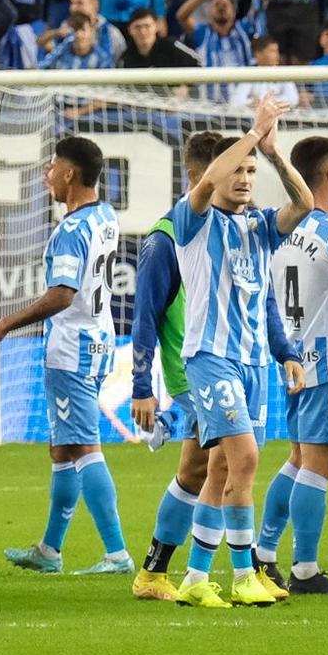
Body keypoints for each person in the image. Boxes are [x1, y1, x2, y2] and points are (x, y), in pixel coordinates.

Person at [165, 98, 312, 609]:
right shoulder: (192, 220)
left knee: (224, 471)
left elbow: (305, 204)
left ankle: (195, 578)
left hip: (252, 364)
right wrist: (251, 133)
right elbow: (208, 184)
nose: (246, 177)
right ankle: (245, 574)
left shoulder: (261, 227)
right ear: (214, 173)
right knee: (245, 459)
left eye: (252, 171)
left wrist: (272, 152)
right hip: (210, 357)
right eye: (239, 169)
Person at [0, 136, 130, 576]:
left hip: (72, 348)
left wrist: (5, 324)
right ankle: (50, 550)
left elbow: (63, 295)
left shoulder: (70, 229)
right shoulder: (104, 216)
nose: (46, 174)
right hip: (100, 339)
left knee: (84, 447)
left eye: (51, 166)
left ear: (69, 173)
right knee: (63, 448)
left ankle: (117, 553)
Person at [254, 135, 328, 596]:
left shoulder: (278, 229)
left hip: (292, 359)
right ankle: (305, 568)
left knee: (299, 458)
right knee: (319, 465)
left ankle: (264, 555)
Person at [128, 132, 220, 602]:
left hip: (221, 364)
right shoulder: (166, 240)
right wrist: (142, 385)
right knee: (226, 463)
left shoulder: (220, 227)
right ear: (195, 177)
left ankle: (153, 572)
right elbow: (144, 315)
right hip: (194, 370)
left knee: (196, 470)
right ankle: (229, 571)